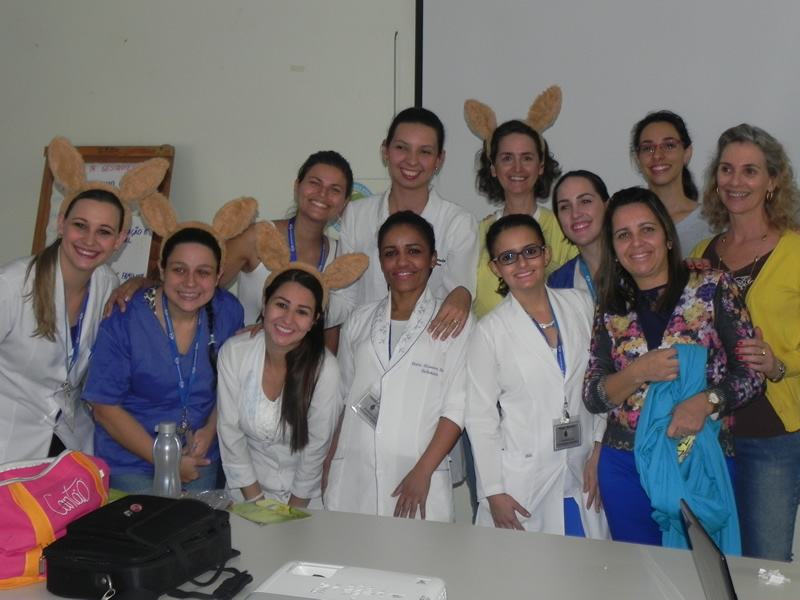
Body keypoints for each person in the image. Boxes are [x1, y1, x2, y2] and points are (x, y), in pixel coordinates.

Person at [583, 187, 764, 549]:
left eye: (647, 229)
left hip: (697, 458)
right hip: (625, 466)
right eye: (623, 234)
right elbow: (594, 395)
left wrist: (707, 401)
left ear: (667, 236)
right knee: (640, 572)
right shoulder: (610, 305)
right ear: (613, 248)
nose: (637, 243)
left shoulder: (713, 288)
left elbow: (752, 374)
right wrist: (638, 372)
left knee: (703, 571)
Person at [0, 137, 168, 463]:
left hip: (68, 443)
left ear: (120, 240)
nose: (90, 241)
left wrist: (140, 281)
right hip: (9, 444)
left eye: (104, 231)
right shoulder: (11, 285)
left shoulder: (107, 284)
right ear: (61, 224)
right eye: (80, 225)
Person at [690, 124, 800, 562]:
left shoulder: (795, 251)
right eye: (727, 169)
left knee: (765, 567)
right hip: (708, 434)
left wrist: (779, 364)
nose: (736, 181)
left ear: (773, 181)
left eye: (750, 171)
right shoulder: (702, 253)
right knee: (711, 561)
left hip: (770, 435)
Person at [84, 200, 246, 493]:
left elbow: (233, 383)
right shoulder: (125, 317)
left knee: (199, 524)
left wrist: (211, 429)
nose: (190, 283)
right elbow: (104, 407)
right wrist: (166, 460)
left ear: (219, 274)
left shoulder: (227, 312)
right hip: (133, 462)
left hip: (200, 458)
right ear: (161, 268)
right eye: (179, 270)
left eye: (203, 272)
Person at [325, 211, 474, 522]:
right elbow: (344, 399)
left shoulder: (455, 320)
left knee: (416, 552)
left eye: (414, 251)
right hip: (354, 471)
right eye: (391, 253)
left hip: (417, 474)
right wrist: (330, 462)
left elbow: (456, 408)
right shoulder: (359, 319)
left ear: (433, 259)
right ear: (380, 262)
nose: (402, 262)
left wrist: (422, 471)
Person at [466, 214, 608, 538]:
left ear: (546, 254)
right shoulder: (489, 332)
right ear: (495, 268)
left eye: (530, 251)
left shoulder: (581, 305)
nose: (522, 263)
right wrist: (493, 492)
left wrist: (599, 448)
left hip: (584, 468)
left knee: (590, 564)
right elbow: (479, 417)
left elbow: (602, 380)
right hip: (523, 480)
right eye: (508, 257)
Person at [330, 107, 477, 341]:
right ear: (385, 150)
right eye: (402, 148)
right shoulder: (357, 214)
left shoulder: (457, 223)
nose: (412, 160)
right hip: (363, 346)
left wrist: (464, 295)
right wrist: (303, 308)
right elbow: (346, 298)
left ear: (439, 159)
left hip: (427, 348)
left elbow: (456, 300)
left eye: (425, 152)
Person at [216, 269, 340, 506]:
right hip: (245, 491)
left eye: (302, 312)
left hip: (305, 498)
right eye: (281, 305)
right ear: (264, 304)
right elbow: (230, 432)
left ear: (314, 320)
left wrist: (292, 513)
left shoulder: (325, 370)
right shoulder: (235, 353)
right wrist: (258, 503)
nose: (288, 319)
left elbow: (316, 448)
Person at [223, 150, 352, 326]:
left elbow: (330, 328)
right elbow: (202, 288)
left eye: (335, 189)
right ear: (297, 186)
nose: (323, 193)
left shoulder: (340, 255)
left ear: (344, 202)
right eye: (315, 183)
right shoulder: (257, 237)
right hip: (252, 344)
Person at [473, 120, 575, 319]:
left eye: (527, 158)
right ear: (493, 167)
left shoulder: (565, 229)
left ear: (541, 165)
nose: (517, 168)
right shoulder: (475, 235)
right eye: (507, 158)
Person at [631, 110, 712, 254]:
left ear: (687, 153)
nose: (657, 155)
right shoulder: (627, 222)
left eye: (669, 146)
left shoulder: (713, 224)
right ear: (638, 158)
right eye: (648, 148)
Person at [547, 170, 610, 299]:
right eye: (565, 207)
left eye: (585, 201)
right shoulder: (558, 283)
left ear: (607, 206)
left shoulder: (635, 263)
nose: (575, 214)